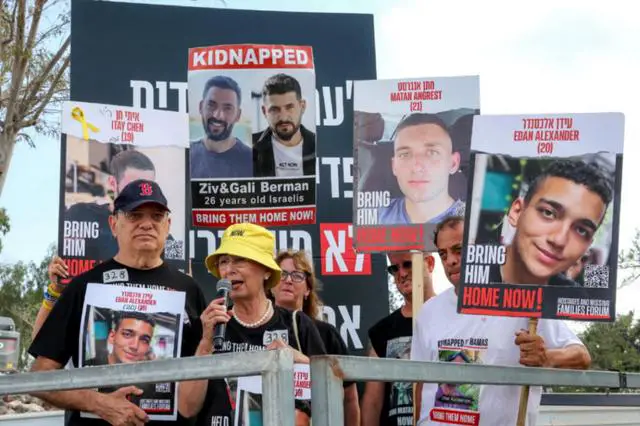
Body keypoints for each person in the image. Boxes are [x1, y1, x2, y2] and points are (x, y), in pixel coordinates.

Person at [27, 179, 215, 426]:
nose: (147, 224)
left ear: (167, 226)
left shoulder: (189, 289)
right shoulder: (85, 286)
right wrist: (98, 403)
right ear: (114, 224)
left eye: (157, 216)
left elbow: (197, 389)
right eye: (135, 215)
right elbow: (39, 377)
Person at [411, 215, 591, 426]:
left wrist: (546, 357)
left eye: (459, 250)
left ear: (483, 250)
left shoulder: (522, 301)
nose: (450, 260)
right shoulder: (429, 312)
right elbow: (420, 383)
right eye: (443, 254)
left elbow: (581, 356)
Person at [180, 223, 326, 426]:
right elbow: (187, 407)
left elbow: (329, 396)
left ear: (266, 270)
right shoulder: (209, 327)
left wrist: (296, 359)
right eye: (224, 261)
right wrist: (205, 344)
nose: (229, 270)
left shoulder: (297, 324)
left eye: (240, 260)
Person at [272, 249, 360, 425]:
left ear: (308, 289)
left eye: (297, 275)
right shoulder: (258, 328)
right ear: (270, 285)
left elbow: (350, 398)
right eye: (282, 274)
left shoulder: (327, 334)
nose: (288, 280)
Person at [497, 159, 613, 287]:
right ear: (516, 212)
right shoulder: (474, 270)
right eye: (548, 213)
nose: (559, 240)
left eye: (581, 230)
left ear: (587, 247)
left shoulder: (579, 297)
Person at [360, 251, 436, 426]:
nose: (401, 274)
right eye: (395, 268)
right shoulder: (382, 331)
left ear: (430, 263)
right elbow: (372, 401)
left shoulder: (453, 318)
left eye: (408, 264)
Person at [63, 148, 157, 266]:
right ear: (112, 183)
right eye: (132, 187)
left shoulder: (158, 229)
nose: (140, 194)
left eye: (147, 188)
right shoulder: (79, 215)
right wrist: (57, 281)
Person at [377, 113, 465, 225]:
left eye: (432, 153)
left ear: (453, 164)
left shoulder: (473, 225)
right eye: (405, 155)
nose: (417, 168)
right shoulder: (376, 216)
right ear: (394, 166)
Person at [253, 73, 316, 177]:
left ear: (302, 106)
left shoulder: (320, 147)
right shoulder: (249, 150)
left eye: (289, 107)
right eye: (274, 109)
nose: (283, 117)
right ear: (264, 111)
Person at [190, 75, 252, 179]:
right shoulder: (187, 156)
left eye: (227, 108)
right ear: (201, 107)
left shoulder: (251, 160)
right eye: (211, 105)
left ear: (238, 115)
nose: (218, 115)